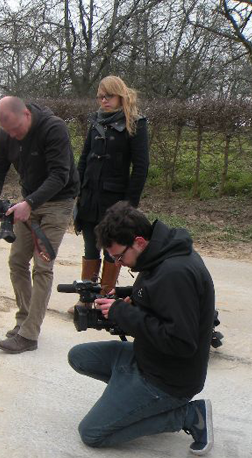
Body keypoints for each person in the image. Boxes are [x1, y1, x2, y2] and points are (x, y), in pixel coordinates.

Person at [68, 202, 215, 453]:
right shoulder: (160, 254)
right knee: (79, 357)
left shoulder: (175, 273)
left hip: (168, 379)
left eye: (119, 256)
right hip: (147, 358)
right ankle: (132, 403)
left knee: (92, 433)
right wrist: (127, 295)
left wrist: (122, 312)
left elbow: (180, 342)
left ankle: (189, 415)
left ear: (139, 241)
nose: (119, 263)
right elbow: (155, 296)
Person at [0, 96, 79, 354]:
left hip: (58, 202)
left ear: (26, 114)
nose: (13, 136)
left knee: (42, 265)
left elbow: (61, 174)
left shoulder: (53, 128)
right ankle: (24, 320)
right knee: (17, 261)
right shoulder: (5, 136)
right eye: (7, 131)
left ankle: (29, 335)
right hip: (29, 201)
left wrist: (30, 202)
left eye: (16, 129)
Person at [70, 75, 149, 314]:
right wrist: (77, 190)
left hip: (115, 201)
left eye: (108, 96)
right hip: (89, 198)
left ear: (120, 96)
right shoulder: (96, 121)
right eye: (100, 97)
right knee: (89, 248)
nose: (103, 101)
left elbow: (141, 167)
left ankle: (105, 302)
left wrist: (129, 206)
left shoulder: (135, 123)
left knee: (112, 250)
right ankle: (86, 299)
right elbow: (84, 159)